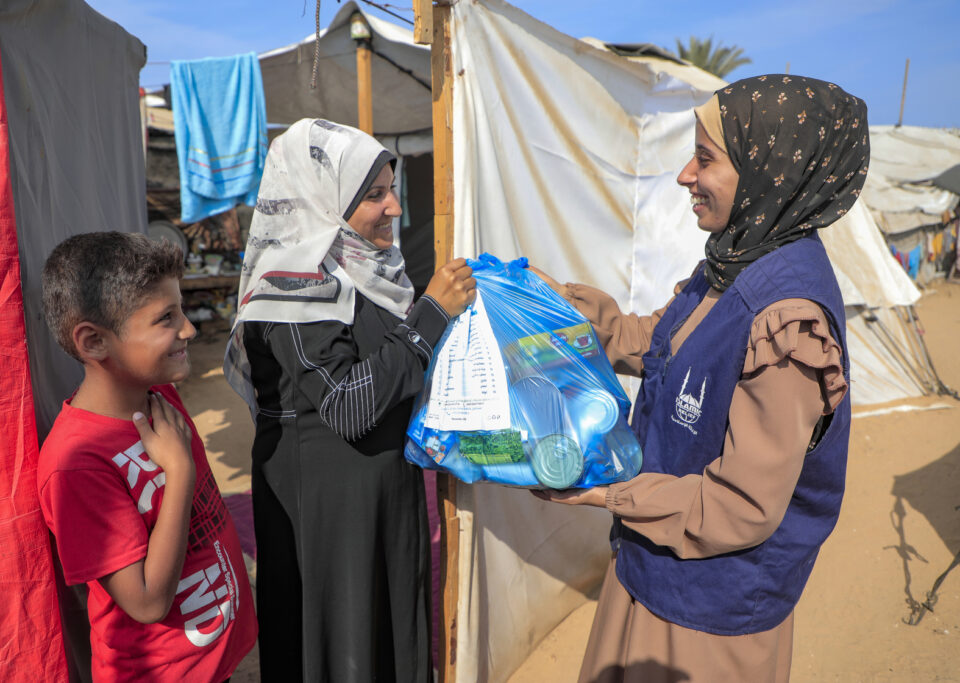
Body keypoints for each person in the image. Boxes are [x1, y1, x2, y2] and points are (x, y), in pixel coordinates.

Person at [533, 75, 868, 682]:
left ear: (768, 170)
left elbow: (740, 506)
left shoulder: (788, 320)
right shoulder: (734, 261)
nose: (687, 175)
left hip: (710, 613)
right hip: (654, 564)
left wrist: (608, 493)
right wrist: (556, 307)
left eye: (706, 159)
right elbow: (654, 341)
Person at [224, 118, 477, 682]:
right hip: (325, 508)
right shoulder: (289, 288)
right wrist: (430, 316)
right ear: (323, 199)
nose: (393, 208)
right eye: (374, 195)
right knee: (341, 647)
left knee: (389, 635)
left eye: (392, 189)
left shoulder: (364, 270)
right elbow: (348, 406)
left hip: (383, 495)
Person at [37, 232, 257, 682]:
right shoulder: (76, 462)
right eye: (165, 318)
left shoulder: (158, 395)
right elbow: (146, 601)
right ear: (94, 342)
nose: (189, 329)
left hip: (212, 661)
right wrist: (179, 471)